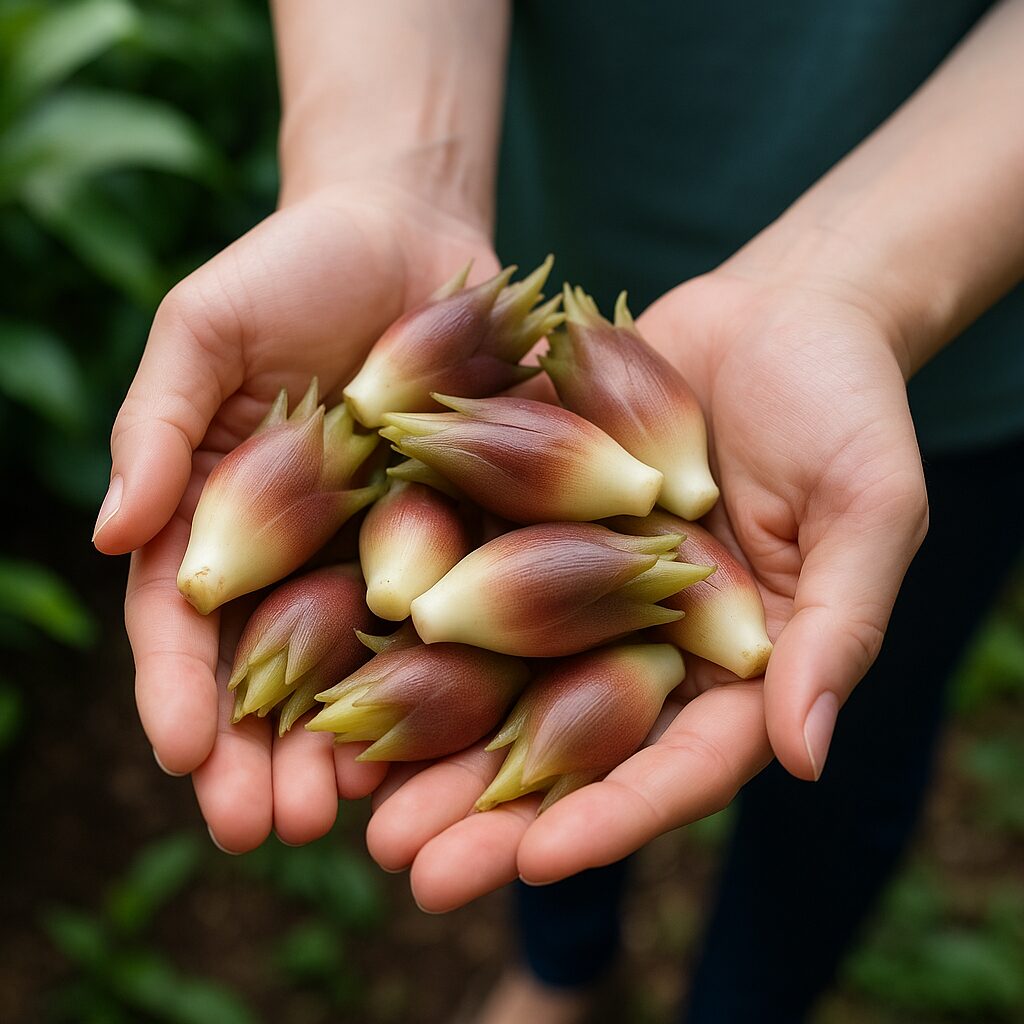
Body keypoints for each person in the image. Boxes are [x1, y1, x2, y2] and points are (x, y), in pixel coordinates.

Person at [93, 2, 1024, 1021]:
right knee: (581, 776)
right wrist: (388, 171)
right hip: (535, 281)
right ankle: (562, 967)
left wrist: (861, 291)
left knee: (850, 745)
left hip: (945, 327)